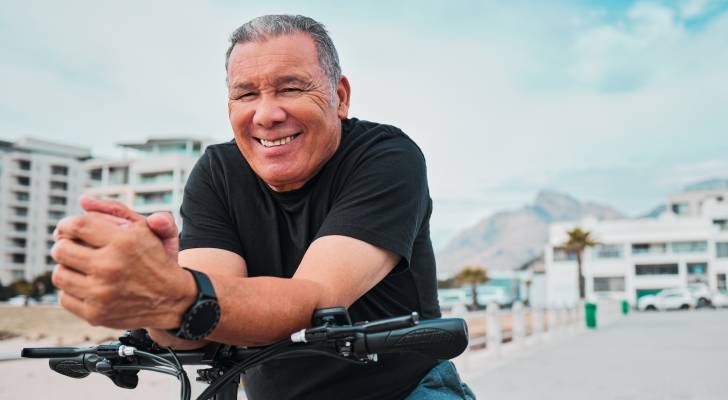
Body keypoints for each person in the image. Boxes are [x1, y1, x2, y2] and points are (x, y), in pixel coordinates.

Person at [51, 14, 473, 400]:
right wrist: (156, 299)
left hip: (404, 392)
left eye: (290, 88)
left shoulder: (386, 157)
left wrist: (174, 291)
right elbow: (198, 322)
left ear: (340, 97)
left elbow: (317, 299)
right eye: (246, 94)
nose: (266, 114)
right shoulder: (218, 171)